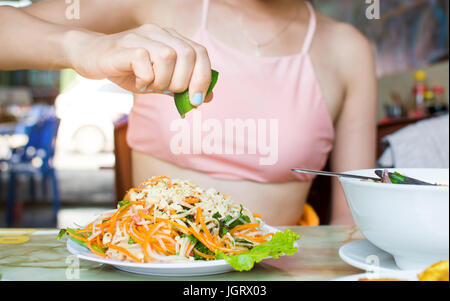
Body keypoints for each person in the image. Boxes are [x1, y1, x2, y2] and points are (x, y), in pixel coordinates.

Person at [0, 0, 377, 225]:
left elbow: (354, 227)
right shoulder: (158, 4)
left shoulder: (347, 49)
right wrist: (82, 47)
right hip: (146, 267)